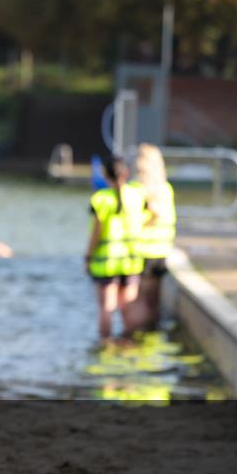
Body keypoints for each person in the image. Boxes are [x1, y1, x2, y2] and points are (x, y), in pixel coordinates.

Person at [85, 158, 144, 340]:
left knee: (107, 307)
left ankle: (106, 345)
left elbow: (97, 231)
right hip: (131, 261)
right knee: (128, 306)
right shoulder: (137, 195)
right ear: (126, 174)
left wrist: (88, 256)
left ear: (105, 175)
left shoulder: (101, 199)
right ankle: (129, 343)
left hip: (106, 262)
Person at [134, 144, 176, 331]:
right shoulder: (166, 189)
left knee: (141, 302)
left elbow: (138, 221)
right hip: (162, 252)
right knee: (154, 303)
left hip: (144, 252)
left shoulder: (138, 190)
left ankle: (140, 338)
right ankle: (153, 335)